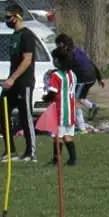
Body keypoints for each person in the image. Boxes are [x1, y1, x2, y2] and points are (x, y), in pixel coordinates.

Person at [0, 4, 37, 162]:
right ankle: (10, 151)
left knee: (25, 116)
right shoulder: (13, 36)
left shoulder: (27, 35)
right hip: (12, 83)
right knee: (2, 111)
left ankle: (31, 152)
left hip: (24, 82)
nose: (7, 20)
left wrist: (13, 78)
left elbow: (27, 60)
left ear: (18, 17)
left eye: (9, 17)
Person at [54, 34, 104, 132]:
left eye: (58, 45)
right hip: (92, 77)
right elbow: (91, 62)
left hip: (84, 78)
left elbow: (65, 68)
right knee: (80, 97)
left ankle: (82, 127)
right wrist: (99, 78)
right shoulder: (77, 50)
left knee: (74, 101)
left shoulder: (69, 54)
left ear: (62, 44)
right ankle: (93, 107)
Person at [44, 46, 78, 166]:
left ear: (58, 60)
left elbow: (53, 91)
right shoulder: (72, 74)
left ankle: (56, 159)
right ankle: (73, 159)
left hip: (60, 110)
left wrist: (46, 98)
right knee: (67, 135)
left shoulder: (56, 76)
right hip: (70, 110)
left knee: (57, 136)